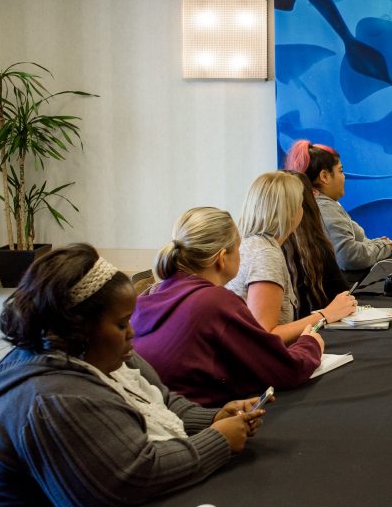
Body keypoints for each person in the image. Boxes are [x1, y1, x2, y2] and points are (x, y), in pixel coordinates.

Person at [0, 244, 264, 507]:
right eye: (122, 323)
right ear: (78, 327)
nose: (132, 333)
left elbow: (161, 399)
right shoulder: (53, 398)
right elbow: (129, 481)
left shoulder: (95, 353)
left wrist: (212, 417)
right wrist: (218, 441)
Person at [131, 207, 326, 405]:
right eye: (238, 248)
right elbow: (286, 370)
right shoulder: (215, 302)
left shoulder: (149, 296)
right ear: (222, 258)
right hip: (200, 420)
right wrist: (310, 344)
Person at [225, 171, 355, 344]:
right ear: (292, 211)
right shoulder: (265, 254)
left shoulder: (251, 245)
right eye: (301, 204)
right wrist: (326, 315)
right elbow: (266, 336)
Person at [284, 140, 392, 277]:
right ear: (324, 176)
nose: (344, 177)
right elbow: (349, 256)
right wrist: (383, 246)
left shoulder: (323, 204)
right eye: (340, 171)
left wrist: (376, 244)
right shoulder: (325, 209)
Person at [281, 170, 352, 315]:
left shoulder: (260, 249)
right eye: (340, 170)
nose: (344, 176)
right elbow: (342, 296)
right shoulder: (317, 249)